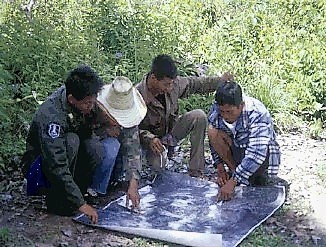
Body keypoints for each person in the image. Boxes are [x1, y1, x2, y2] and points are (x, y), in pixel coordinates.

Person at [21, 65, 105, 224]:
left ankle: (76, 195)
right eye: (87, 103)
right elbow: (55, 165)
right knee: (72, 141)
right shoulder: (52, 115)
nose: (91, 107)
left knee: (95, 147)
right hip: (40, 170)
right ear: (72, 99)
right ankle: (57, 200)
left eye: (93, 102)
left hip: (65, 161)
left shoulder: (81, 98)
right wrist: (80, 204)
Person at [136, 54, 233, 178]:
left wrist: (220, 81)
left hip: (171, 132)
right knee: (158, 167)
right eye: (166, 85)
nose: (170, 88)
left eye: (171, 84)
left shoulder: (173, 84)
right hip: (152, 143)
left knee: (199, 116)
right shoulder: (137, 95)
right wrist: (149, 138)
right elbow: (130, 129)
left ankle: (196, 171)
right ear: (154, 78)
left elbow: (197, 84)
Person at [207, 81, 281, 201]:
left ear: (240, 106)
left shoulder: (257, 112)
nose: (225, 116)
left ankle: (248, 177)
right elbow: (213, 141)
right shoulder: (216, 110)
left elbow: (257, 153)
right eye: (222, 112)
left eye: (229, 112)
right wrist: (220, 169)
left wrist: (232, 182)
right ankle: (235, 171)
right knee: (212, 131)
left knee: (258, 183)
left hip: (260, 157)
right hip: (238, 150)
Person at [95, 76, 147, 210]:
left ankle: (114, 182)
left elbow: (133, 150)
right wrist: (105, 131)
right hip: (90, 157)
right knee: (111, 146)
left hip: (115, 163)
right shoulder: (91, 107)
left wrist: (133, 184)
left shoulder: (130, 120)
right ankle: (94, 190)